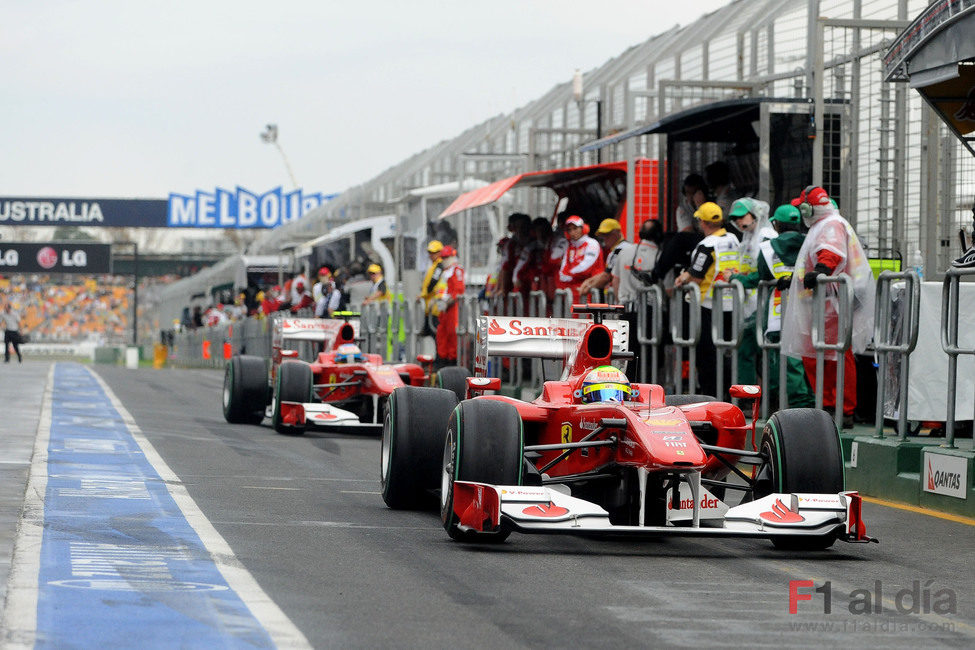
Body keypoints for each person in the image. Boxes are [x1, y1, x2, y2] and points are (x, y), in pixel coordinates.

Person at [781, 186, 876, 427]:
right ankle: (829, 405)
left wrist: (821, 271)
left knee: (833, 355)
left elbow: (830, 254)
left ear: (808, 208)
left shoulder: (831, 224)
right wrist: (798, 279)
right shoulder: (824, 224)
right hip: (825, 302)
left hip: (832, 303)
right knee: (820, 354)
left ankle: (840, 408)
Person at [732, 204, 815, 408]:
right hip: (809, 308)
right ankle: (804, 400)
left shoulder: (768, 248)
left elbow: (759, 276)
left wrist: (736, 278)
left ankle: (786, 401)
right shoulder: (811, 245)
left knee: (779, 357)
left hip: (777, 310)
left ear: (776, 224)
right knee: (803, 356)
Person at [673, 202, 740, 399]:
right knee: (728, 352)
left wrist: (683, 277)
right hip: (732, 304)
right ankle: (730, 395)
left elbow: (696, 276)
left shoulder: (707, 245)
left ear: (703, 222)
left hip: (707, 306)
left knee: (708, 356)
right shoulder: (733, 239)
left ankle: (711, 397)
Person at [727, 197, 777, 386]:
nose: (739, 221)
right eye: (736, 218)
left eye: (743, 216)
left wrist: (739, 278)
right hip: (750, 304)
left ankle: (771, 396)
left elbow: (766, 271)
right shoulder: (747, 236)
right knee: (746, 350)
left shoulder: (766, 235)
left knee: (767, 353)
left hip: (766, 303)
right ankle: (748, 396)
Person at [557, 215, 605, 303]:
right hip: (573, 291)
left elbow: (585, 268)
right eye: (569, 230)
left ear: (584, 228)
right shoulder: (570, 246)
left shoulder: (592, 244)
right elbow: (563, 269)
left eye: (575, 228)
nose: (572, 232)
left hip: (591, 290)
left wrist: (569, 275)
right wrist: (566, 275)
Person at [435, 246, 465, 366]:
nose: (444, 259)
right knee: (442, 334)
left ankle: (452, 361)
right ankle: (443, 360)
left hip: (452, 307)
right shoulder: (445, 271)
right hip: (443, 308)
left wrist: (448, 302)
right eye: (443, 257)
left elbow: (458, 291)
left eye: (446, 257)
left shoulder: (456, 270)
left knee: (452, 334)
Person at [420, 241, 445, 335]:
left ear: (440, 252)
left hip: (435, 307)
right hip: (430, 306)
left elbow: (433, 283)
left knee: (436, 334)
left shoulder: (439, 266)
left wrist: (423, 295)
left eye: (433, 252)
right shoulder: (433, 265)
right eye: (430, 252)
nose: (431, 255)